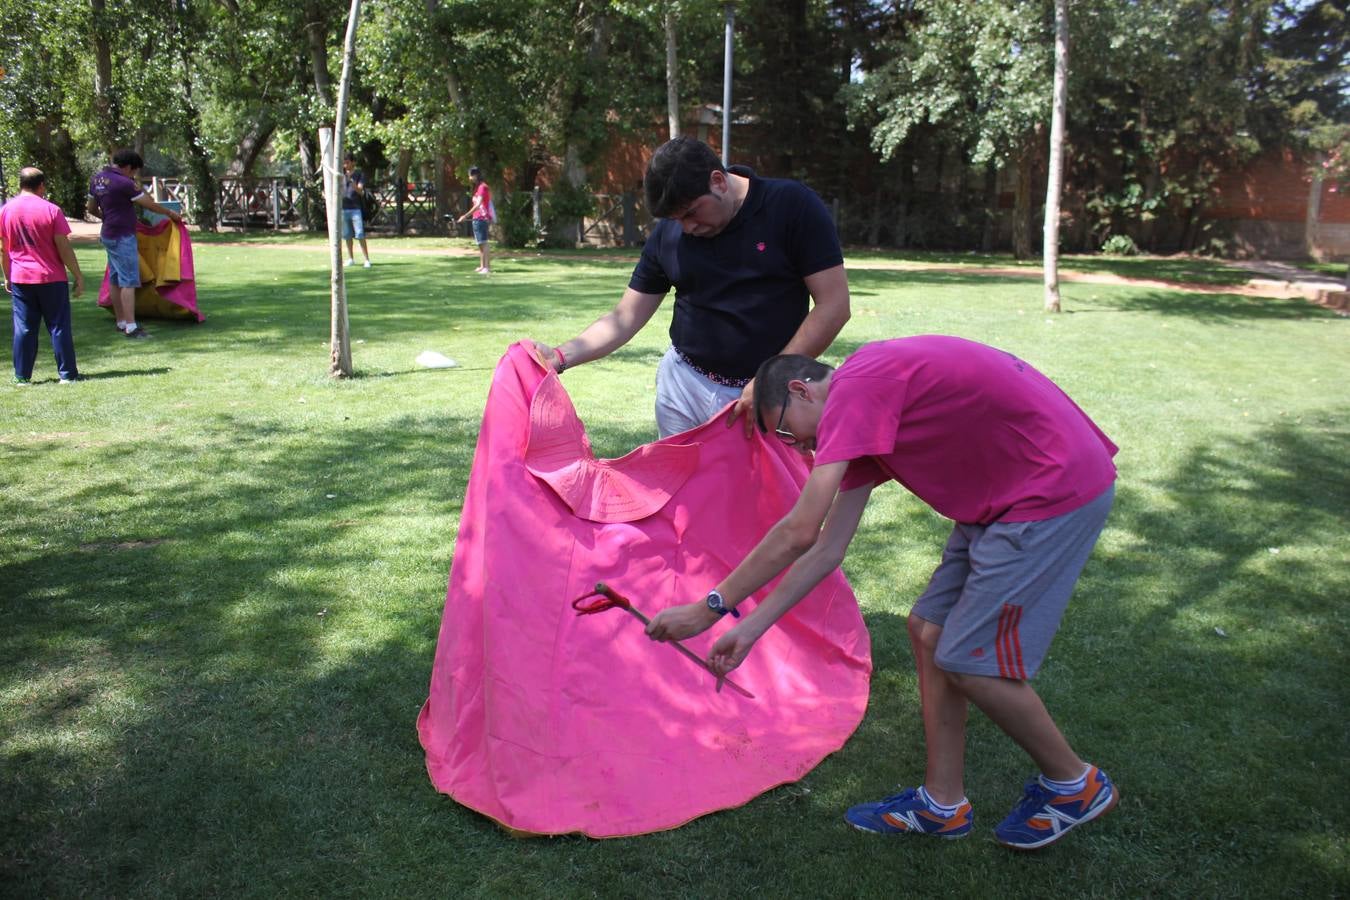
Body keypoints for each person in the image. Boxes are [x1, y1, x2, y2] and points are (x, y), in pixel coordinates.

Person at [645, 336, 1121, 850]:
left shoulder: (857, 389)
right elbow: (827, 550)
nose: (799, 450)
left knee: (970, 661)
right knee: (929, 632)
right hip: (1001, 499)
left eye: (786, 432)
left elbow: (798, 530)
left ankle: (1075, 784)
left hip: (1048, 491)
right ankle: (942, 804)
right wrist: (749, 630)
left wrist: (708, 608)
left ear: (803, 391)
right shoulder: (862, 416)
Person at [532, 137, 850, 438]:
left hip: (768, 393)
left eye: (691, 213)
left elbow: (834, 306)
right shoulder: (669, 234)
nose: (687, 228)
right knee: (682, 494)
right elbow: (625, 318)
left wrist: (770, 379)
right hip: (684, 386)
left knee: (771, 497)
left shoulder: (791, 207)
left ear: (718, 181)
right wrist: (560, 356)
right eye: (676, 218)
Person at [86, 148, 183, 339]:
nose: (134, 175)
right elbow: (149, 204)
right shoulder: (124, 182)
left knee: (115, 279)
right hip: (122, 235)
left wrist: (108, 218)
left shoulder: (97, 179)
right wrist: (170, 213)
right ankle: (131, 326)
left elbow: (90, 208)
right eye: (134, 171)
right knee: (129, 280)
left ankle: (121, 321)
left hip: (108, 233)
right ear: (129, 167)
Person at [2, 167, 84, 384]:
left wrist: (7, 275)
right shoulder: (51, 210)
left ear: (20, 184)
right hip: (50, 277)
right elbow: (63, 246)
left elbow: (5, 248)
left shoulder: (6, 211)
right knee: (58, 326)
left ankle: (22, 377)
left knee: (24, 327)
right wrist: (77, 275)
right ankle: (67, 374)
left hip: (21, 277)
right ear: (42, 186)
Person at [456, 166, 491, 274]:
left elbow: (478, 204)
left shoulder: (482, 187)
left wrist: (465, 216)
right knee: (480, 243)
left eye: (470, 176)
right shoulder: (477, 188)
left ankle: (487, 267)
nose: (470, 178)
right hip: (476, 218)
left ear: (476, 175)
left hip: (482, 218)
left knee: (483, 242)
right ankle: (482, 266)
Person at [341, 155, 371, 268]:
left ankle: (367, 259)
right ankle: (350, 258)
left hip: (355, 208)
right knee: (347, 235)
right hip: (344, 208)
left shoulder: (359, 174)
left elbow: (360, 191)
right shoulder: (342, 175)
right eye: (344, 163)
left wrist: (352, 182)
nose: (345, 165)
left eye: (347, 162)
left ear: (353, 162)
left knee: (360, 234)